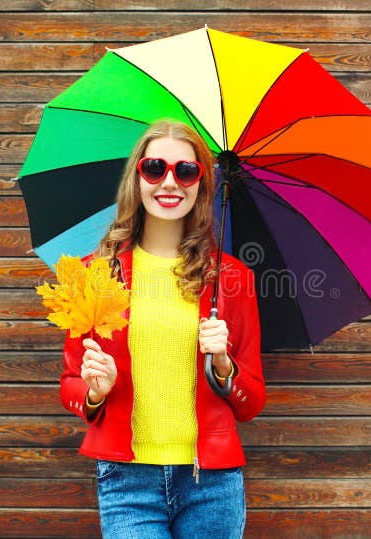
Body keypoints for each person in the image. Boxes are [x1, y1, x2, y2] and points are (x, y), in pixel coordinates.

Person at [60, 119, 266, 538]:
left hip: (211, 483)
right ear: (137, 177)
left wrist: (224, 366)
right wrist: (96, 391)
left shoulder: (232, 279)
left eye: (186, 171)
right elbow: (69, 384)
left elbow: (251, 402)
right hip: (126, 480)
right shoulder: (96, 273)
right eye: (155, 168)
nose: (169, 182)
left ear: (201, 185)